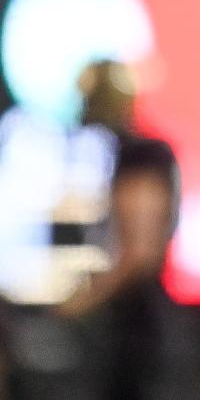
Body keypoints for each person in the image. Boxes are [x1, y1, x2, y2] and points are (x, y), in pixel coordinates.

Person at [55, 60, 181, 400]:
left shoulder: (141, 156)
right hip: (136, 331)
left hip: (137, 334)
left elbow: (139, 254)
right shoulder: (127, 154)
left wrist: (82, 303)